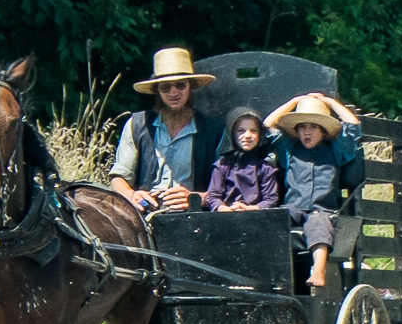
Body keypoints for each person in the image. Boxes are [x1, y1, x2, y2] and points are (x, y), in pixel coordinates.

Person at [264, 92, 361, 288]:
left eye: (313, 127)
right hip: (294, 207)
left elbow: (353, 126)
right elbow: (268, 124)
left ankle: (318, 268)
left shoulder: (335, 150)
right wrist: (295, 101)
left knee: (318, 224)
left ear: (324, 131)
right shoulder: (289, 150)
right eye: (302, 128)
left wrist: (329, 102)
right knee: (273, 219)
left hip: (321, 209)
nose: (307, 133)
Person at [110, 48, 219, 212]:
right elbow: (118, 177)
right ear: (157, 90)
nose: (173, 92)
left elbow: (228, 188)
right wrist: (132, 195)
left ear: (191, 86)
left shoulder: (214, 131)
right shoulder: (137, 124)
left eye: (180, 85)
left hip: (195, 219)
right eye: (165, 87)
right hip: (144, 217)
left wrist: (197, 198)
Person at [204, 107, 282, 212]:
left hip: (257, 218)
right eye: (241, 131)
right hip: (225, 218)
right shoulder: (222, 165)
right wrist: (224, 209)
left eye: (253, 130)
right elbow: (213, 196)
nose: (248, 136)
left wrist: (250, 209)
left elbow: (271, 199)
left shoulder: (266, 167)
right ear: (231, 134)